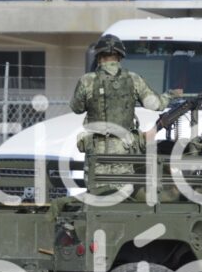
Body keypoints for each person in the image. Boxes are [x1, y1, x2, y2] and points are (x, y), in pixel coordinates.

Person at [70, 34, 181, 189]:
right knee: (122, 195)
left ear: (99, 56)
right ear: (120, 56)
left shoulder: (87, 80)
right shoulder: (133, 79)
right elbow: (155, 104)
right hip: (124, 148)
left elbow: (76, 108)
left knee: (97, 195)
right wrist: (170, 95)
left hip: (96, 149)